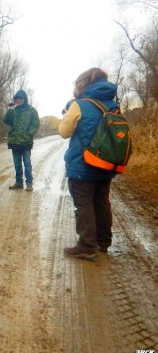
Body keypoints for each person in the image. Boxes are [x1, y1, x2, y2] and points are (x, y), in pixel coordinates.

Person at [59, 67, 119, 261]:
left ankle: (86, 245)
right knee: (101, 201)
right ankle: (103, 241)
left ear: (83, 83)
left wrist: (67, 114)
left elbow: (64, 132)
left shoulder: (79, 104)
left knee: (83, 203)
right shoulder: (112, 104)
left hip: (82, 165)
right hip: (106, 163)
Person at [3, 90, 40, 191]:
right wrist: (10, 109)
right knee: (17, 164)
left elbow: (36, 124)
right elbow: (6, 121)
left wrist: (29, 133)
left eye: (20, 98)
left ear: (24, 99)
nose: (18, 100)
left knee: (27, 163)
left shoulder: (31, 110)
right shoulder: (13, 110)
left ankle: (29, 183)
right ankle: (19, 182)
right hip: (14, 141)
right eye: (17, 99)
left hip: (26, 141)